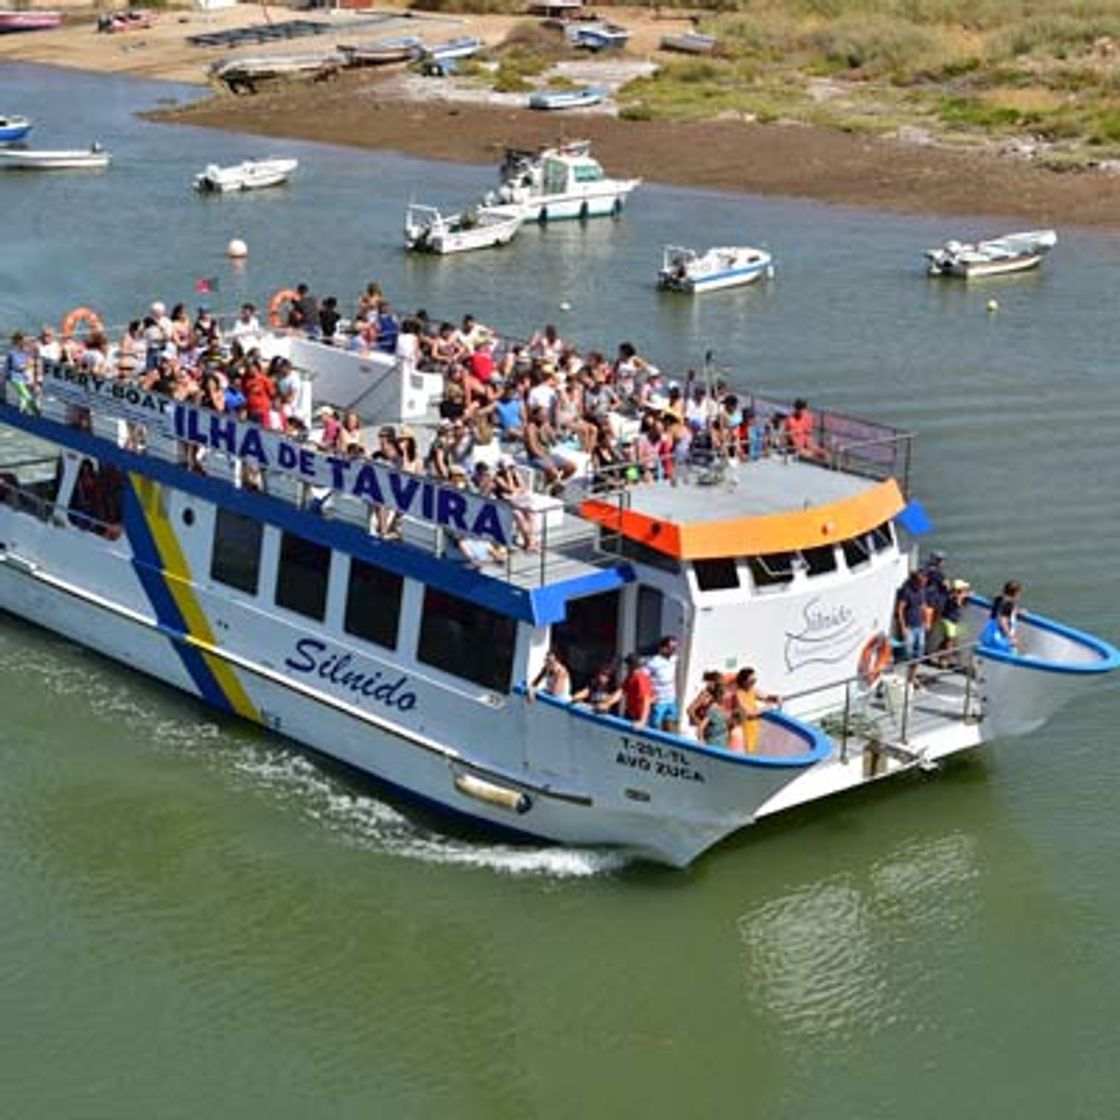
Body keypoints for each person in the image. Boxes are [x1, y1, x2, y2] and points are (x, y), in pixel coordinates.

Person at [733, 667, 780, 753]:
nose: (754, 682)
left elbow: (766, 697)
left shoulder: (752, 690)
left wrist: (775, 697)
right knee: (750, 750)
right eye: (751, 680)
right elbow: (749, 713)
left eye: (754, 680)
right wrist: (766, 708)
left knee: (758, 748)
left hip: (756, 725)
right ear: (744, 681)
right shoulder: (739, 694)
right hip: (748, 726)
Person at [895, 569, 928, 685]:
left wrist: (926, 621)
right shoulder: (907, 591)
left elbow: (923, 606)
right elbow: (900, 610)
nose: (924, 583)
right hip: (910, 626)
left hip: (920, 626)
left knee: (919, 651)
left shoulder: (922, 591)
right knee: (909, 653)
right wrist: (903, 627)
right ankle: (908, 675)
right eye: (922, 581)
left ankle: (912, 675)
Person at [646, 635, 680, 731]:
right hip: (659, 701)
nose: (674, 650)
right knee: (655, 728)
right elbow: (644, 679)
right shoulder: (653, 662)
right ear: (663, 648)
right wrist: (650, 696)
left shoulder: (674, 659)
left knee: (671, 726)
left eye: (675, 648)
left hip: (671, 700)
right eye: (672, 648)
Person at [621, 653, 653, 726]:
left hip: (639, 716)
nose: (626, 667)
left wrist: (642, 721)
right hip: (630, 714)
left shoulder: (641, 678)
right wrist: (607, 703)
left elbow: (646, 700)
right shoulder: (630, 677)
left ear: (632, 665)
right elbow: (621, 691)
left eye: (628, 665)